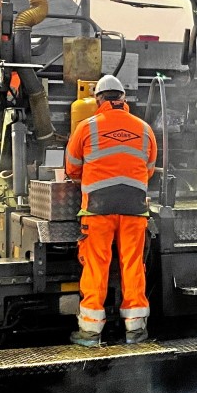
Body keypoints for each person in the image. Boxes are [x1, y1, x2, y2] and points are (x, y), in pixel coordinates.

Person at [64, 75, 157, 346]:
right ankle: (135, 330)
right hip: (134, 209)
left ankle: (90, 332)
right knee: (133, 265)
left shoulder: (86, 127)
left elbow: (72, 168)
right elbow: (149, 169)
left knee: (96, 265)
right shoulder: (144, 129)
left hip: (98, 210)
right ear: (123, 99)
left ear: (98, 100)